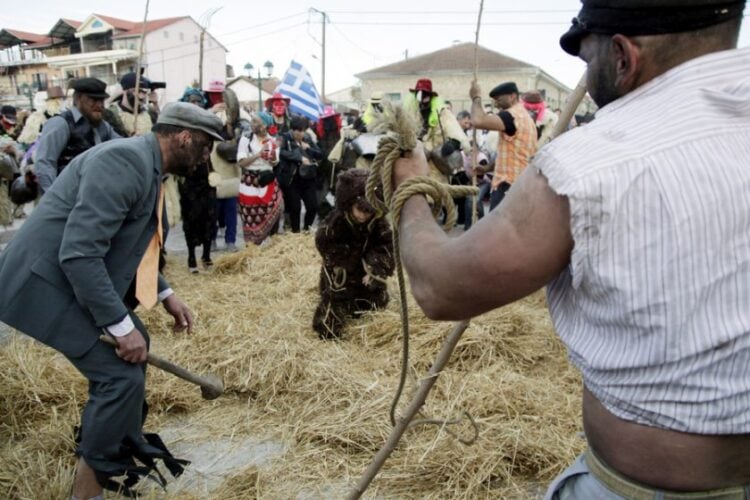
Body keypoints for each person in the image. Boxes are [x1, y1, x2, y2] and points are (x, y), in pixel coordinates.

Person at [392, 0, 750, 498]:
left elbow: (439, 286)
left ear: (622, 56)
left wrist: (409, 189)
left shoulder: (594, 161)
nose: (588, 71)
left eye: (588, 59)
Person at [0, 101, 224, 498]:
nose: (208, 155)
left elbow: (125, 244)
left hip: (65, 276)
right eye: (206, 145)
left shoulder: (147, 164)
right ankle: (88, 491)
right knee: (118, 376)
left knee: (137, 345)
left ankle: (113, 451)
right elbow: (81, 253)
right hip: (42, 282)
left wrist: (165, 292)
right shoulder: (124, 161)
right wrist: (118, 327)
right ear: (185, 137)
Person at [312, 168, 394, 339]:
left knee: (375, 302)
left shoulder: (378, 223)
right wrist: (342, 263)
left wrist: (374, 268)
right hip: (340, 270)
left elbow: (386, 246)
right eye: (360, 209)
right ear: (349, 204)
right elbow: (323, 241)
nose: (364, 216)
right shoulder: (336, 221)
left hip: (365, 270)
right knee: (333, 305)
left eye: (369, 211)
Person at [34, 78, 119, 193]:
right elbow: (45, 163)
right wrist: (52, 199)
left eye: (102, 100)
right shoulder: (60, 123)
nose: (99, 105)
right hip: (68, 198)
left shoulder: (103, 126)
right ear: (78, 98)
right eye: (93, 99)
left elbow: (121, 148)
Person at [470, 81, 537, 211]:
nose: (496, 104)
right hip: (521, 183)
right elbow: (511, 153)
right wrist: (486, 168)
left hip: (507, 185)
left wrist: (476, 97)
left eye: (499, 99)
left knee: (498, 230)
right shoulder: (526, 117)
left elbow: (478, 120)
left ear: (512, 96)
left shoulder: (511, 116)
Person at [177, 88, 218, 272]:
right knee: (191, 219)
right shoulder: (180, 126)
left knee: (209, 217)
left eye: (198, 102)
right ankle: (191, 256)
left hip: (206, 176)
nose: (196, 105)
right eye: (192, 102)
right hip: (189, 178)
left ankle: (207, 255)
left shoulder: (206, 124)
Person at [406, 78, 470, 184]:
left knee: (437, 195)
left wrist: (453, 143)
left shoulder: (443, 114)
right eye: (419, 95)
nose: (422, 100)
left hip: (438, 166)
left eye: (425, 95)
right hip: (417, 166)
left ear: (431, 97)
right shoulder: (413, 116)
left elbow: (457, 134)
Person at [236, 112, 284, 245]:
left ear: (265, 125)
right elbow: (241, 163)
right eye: (252, 121)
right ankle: (252, 247)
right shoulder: (246, 139)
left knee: (275, 211)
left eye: (256, 122)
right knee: (250, 217)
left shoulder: (272, 140)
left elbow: (275, 163)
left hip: (267, 181)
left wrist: (273, 155)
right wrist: (258, 154)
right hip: (249, 183)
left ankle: (271, 247)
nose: (252, 124)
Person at [277, 115, 323, 233]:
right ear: (292, 129)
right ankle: (295, 232)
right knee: (295, 208)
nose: (301, 133)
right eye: (298, 130)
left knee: (313, 206)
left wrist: (308, 149)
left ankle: (307, 229)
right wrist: (299, 157)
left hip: (308, 178)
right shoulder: (284, 138)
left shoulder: (307, 138)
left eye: (303, 130)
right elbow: (281, 152)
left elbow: (320, 154)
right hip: (292, 179)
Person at [108, 72, 153, 137]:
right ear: (124, 91)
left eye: (144, 92)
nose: (142, 96)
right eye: (137, 91)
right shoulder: (112, 115)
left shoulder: (149, 111)